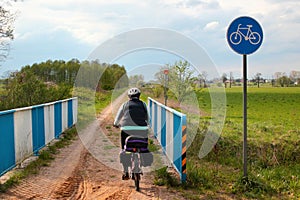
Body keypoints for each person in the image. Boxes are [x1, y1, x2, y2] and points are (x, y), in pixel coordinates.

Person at [113, 87, 149, 180]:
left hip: (126, 129)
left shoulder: (125, 104)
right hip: (142, 129)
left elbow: (118, 118)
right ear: (139, 96)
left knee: (125, 149)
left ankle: (125, 171)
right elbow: (148, 118)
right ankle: (141, 160)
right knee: (142, 146)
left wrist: (116, 124)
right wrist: (148, 125)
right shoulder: (143, 104)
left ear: (129, 96)